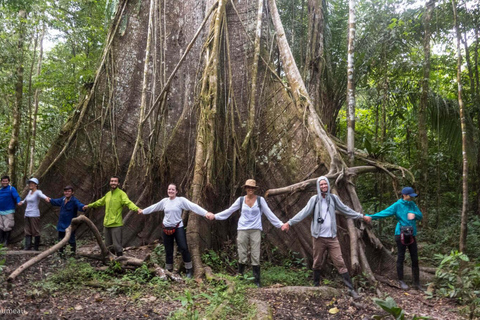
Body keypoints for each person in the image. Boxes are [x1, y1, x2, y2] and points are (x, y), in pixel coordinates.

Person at [281, 176, 371, 299]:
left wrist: (360, 216)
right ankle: (316, 286)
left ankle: (351, 290)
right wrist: (289, 223)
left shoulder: (333, 199)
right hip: (319, 237)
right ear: (318, 186)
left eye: (325, 184)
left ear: (328, 185)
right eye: (321, 185)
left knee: (340, 262)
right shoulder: (314, 199)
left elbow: (345, 210)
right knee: (317, 261)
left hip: (332, 237)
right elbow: (303, 213)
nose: (324, 186)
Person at [210, 179, 284, 287]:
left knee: (255, 253)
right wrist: (215, 216)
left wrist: (280, 224)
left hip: (255, 229)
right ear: (245, 188)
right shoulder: (240, 200)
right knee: (242, 252)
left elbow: (269, 213)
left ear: (255, 189)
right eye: (248, 187)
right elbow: (229, 211)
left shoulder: (260, 200)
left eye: (252, 188)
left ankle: (257, 280)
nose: (250, 189)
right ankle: (240, 276)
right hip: (242, 229)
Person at [138, 183, 214, 278]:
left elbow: (193, 206)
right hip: (166, 228)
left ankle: (188, 269)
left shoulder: (180, 200)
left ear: (176, 191)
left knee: (183, 248)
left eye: (173, 189)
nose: (170, 191)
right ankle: (168, 270)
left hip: (178, 227)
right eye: (169, 189)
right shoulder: (164, 201)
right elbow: (154, 207)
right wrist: (143, 211)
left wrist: (205, 213)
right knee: (168, 250)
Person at [366, 187, 423, 291]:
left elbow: (420, 216)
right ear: (404, 195)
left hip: (411, 234)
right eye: (410, 195)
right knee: (401, 257)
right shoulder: (397, 205)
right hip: (400, 234)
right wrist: (371, 217)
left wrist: (414, 215)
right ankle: (401, 281)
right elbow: (385, 212)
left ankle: (417, 283)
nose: (411, 198)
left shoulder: (412, 205)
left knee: (414, 258)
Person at [83, 176, 140, 257]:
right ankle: (111, 262)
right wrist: (89, 206)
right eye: (112, 181)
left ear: (118, 183)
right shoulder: (108, 194)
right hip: (106, 224)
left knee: (117, 246)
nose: (113, 183)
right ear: (110, 183)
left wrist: (136, 209)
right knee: (108, 246)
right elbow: (100, 202)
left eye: (115, 181)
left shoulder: (121, 194)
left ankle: (120, 261)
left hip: (116, 224)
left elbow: (128, 203)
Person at [49, 185, 85, 257]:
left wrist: (84, 207)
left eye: (69, 191)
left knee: (71, 240)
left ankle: (72, 254)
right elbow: (55, 201)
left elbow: (79, 205)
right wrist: (48, 199)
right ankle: (61, 255)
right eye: (66, 191)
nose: (67, 193)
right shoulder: (63, 199)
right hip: (61, 224)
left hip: (70, 225)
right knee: (61, 240)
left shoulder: (74, 201)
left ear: (72, 192)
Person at [18, 178, 51, 250]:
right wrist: (21, 202)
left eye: (32, 183)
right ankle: (27, 246)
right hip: (27, 213)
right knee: (27, 230)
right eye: (30, 183)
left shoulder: (38, 192)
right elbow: (25, 200)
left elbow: (42, 195)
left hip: (34, 214)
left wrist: (46, 198)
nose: (30, 184)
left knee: (35, 230)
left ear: (36, 185)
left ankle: (36, 247)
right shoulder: (29, 192)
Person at [0, 175, 22, 246]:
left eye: (6, 181)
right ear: (1, 182)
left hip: (9, 211)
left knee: (8, 226)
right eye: (3, 181)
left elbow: (16, 196)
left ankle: (6, 241)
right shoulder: (0, 190)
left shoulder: (11, 189)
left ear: (8, 181)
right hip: (0, 211)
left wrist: (18, 201)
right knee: (1, 226)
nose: (4, 182)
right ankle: (1, 241)